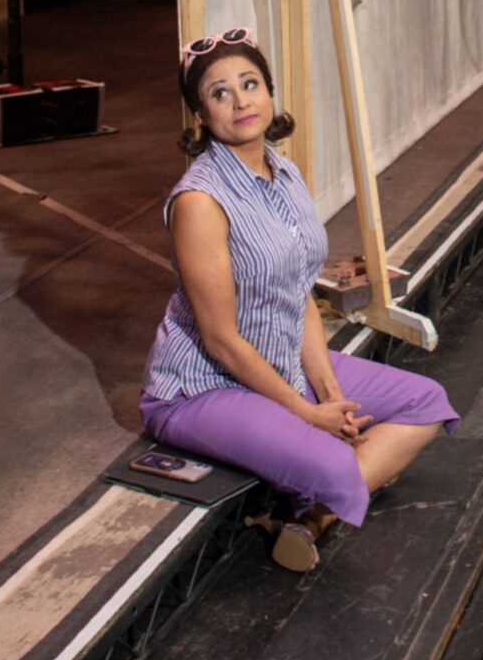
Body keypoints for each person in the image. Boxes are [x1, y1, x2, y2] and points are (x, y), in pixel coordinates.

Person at [140, 28, 457, 573]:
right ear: (201, 113)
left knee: (426, 402)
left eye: (250, 84)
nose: (240, 101)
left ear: (269, 93)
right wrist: (309, 413)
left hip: (283, 361)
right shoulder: (199, 200)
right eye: (220, 92)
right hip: (204, 388)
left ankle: (313, 517)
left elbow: (300, 291)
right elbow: (219, 339)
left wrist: (330, 392)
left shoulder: (285, 171)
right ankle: (330, 494)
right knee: (337, 464)